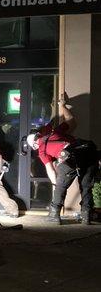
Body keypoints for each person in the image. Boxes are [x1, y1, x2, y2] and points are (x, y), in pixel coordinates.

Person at [26, 94, 97, 225]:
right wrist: (62, 106)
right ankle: (86, 216)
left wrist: (55, 184)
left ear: (35, 144)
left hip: (70, 156)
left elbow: (50, 170)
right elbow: (71, 120)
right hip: (88, 150)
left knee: (60, 185)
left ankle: (54, 215)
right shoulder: (55, 132)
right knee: (86, 186)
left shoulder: (41, 148)